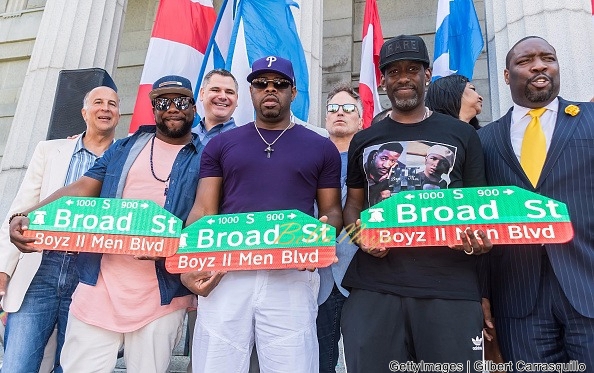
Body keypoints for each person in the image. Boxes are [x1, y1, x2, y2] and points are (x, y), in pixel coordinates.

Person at [9, 75, 204, 372]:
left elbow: (207, 215)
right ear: (153, 108)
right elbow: (81, 188)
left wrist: (177, 246)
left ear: (193, 106)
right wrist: (26, 215)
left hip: (162, 295)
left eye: (181, 101)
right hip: (98, 286)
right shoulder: (123, 148)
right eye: (164, 101)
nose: (173, 108)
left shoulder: (208, 156)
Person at [181, 55, 342, 373]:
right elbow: (203, 209)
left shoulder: (321, 146)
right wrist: (188, 263)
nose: (270, 89)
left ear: (293, 92)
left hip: (291, 274)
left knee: (293, 366)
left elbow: (332, 211)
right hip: (226, 272)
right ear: (250, 90)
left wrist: (320, 238)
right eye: (261, 83)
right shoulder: (222, 144)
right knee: (216, 365)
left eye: (280, 84)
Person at [340, 34, 491, 372]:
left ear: (426, 75)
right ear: (383, 81)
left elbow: (480, 207)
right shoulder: (364, 139)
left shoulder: (462, 135)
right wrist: (358, 235)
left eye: (412, 69)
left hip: (450, 287)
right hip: (374, 286)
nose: (403, 77)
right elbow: (352, 204)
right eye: (394, 72)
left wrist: (478, 240)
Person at [479, 36, 594, 365]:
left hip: (587, 286)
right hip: (517, 298)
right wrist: (482, 292)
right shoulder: (484, 140)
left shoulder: (590, 119)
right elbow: (479, 221)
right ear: (506, 76)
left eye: (548, 58)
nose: (539, 65)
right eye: (525, 61)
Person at [0, 86, 120, 373]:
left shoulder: (126, 155)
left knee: (74, 366)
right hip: (40, 267)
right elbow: (21, 207)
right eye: (98, 102)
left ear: (118, 114)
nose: (105, 108)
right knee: (17, 365)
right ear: (84, 112)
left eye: (113, 104)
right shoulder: (50, 150)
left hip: (90, 272)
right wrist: (4, 270)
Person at [317, 83, 361, 373]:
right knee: (321, 361)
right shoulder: (311, 158)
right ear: (326, 118)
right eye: (333, 108)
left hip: (363, 273)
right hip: (318, 276)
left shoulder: (375, 157)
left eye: (348, 108)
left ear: (361, 118)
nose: (340, 113)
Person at [195, 68, 239, 144]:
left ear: (237, 99)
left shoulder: (248, 142)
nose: (223, 96)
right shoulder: (182, 139)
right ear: (202, 94)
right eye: (215, 90)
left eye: (229, 92)